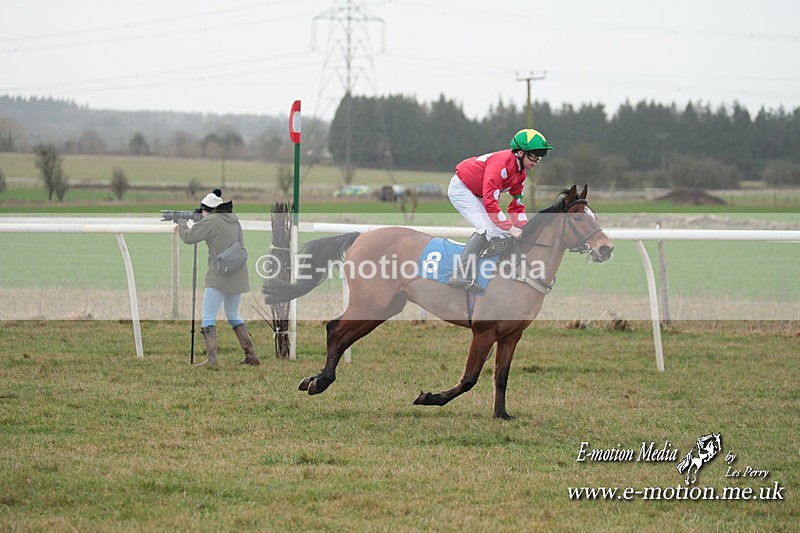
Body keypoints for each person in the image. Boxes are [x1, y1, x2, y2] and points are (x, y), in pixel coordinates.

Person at [447, 128, 554, 289]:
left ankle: (490, 274)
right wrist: (510, 227)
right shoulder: (501, 164)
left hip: (479, 193)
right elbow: (491, 202)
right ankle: (460, 274)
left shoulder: (521, 174)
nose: (536, 161)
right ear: (519, 153)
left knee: (500, 233)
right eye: (533, 155)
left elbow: (517, 206)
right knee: (486, 229)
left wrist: (525, 228)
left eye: (540, 156)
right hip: (462, 189)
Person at [176, 188, 260, 367]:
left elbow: (189, 237)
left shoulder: (212, 221)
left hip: (219, 276)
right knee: (233, 314)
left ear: (206, 210)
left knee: (208, 316)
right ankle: (251, 355)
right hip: (237, 274)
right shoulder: (234, 220)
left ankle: (212, 359)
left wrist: (182, 223)